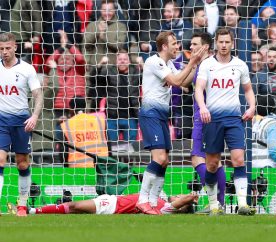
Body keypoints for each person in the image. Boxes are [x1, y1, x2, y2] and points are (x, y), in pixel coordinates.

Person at [137, 31, 204, 215]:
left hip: (162, 115)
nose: (178, 46)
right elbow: (175, 81)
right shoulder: (154, 61)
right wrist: (191, 63)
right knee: (158, 158)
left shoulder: (168, 64)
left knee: (164, 161)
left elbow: (184, 83)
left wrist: (197, 65)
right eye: (174, 43)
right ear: (164, 46)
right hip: (150, 113)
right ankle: (142, 200)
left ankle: (153, 202)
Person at [195, 28, 256, 215]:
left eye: (227, 42)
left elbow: (247, 89)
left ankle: (243, 205)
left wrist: (252, 107)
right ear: (216, 43)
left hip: (233, 119)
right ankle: (214, 205)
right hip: (212, 119)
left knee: (238, 159)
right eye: (220, 42)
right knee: (212, 164)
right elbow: (199, 89)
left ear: (232, 43)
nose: (223, 45)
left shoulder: (240, 65)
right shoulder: (207, 65)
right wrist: (203, 107)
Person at [0, 32, 43, 216]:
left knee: (22, 164)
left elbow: (38, 95)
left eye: (8, 48)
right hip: (1, 120)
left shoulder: (27, 69)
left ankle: (22, 205)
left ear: (15, 47)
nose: (4, 52)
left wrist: (34, 116)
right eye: (1, 49)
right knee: (0, 160)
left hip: (21, 121)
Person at [189, 32, 226, 210]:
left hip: (204, 117)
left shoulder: (207, 65)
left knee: (198, 159)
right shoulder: (207, 64)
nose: (190, 47)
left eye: (194, 44)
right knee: (215, 160)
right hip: (214, 116)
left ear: (204, 47)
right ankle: (220, 203)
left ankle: (215, 203)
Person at [89, 50, 141, 143]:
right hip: (112, 117)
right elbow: (93, 79)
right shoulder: (109, 71)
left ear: (129, 61)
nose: (122, 61)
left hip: (131, 117)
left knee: (131, 148)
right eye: (120, 59)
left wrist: (142, 64)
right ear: (116, 61)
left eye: (125, 59)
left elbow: (149, 78)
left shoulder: (135, 72)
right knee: (112, 148)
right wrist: (100, 63)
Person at [7, 193, 198, 215]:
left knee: (74, 206)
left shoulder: (167, 210)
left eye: (182, 198)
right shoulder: (162, 200)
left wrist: (194, 195)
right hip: (113, 200)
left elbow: (185, 200)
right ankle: (32, 210)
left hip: (112, 206)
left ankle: (31, 210)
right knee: (74, 207)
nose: (179, 195)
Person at [56, 97, 108, 168]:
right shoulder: (100, 121)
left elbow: (63, 151)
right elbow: (108, 144)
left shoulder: (65, 125)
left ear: (71, 109)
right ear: (85, 107)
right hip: (101, 167)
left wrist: (66, 167)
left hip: (77, 169)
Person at [252, 95, 276, 168]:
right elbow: (275, 150)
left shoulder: (256, 124)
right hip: (268, 169)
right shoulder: (274, 125)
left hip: (253, 168)